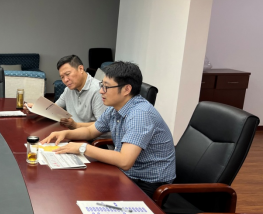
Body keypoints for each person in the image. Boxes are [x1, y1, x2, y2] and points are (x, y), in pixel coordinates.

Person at [42, 62, 176, 198]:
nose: (101, 91)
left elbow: (125, 161)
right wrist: (65, 133)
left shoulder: (140, 114)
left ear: (126, 89)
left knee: (86, 194)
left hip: (148, 183)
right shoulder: (114, 108)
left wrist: (82, 148)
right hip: (127, 173)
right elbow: (90, 131)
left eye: (106, 87)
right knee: (76, 186)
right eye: (102, 85)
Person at [30, 55, 106, 129]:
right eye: (62, 77)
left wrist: (76, 125)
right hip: (71, 131)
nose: (65, 80)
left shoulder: (98, 90)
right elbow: (54, 108)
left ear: (80, 69)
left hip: (89, 136)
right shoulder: (68, 90)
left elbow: (103, 124)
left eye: (67, 74)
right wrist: (36, 108)